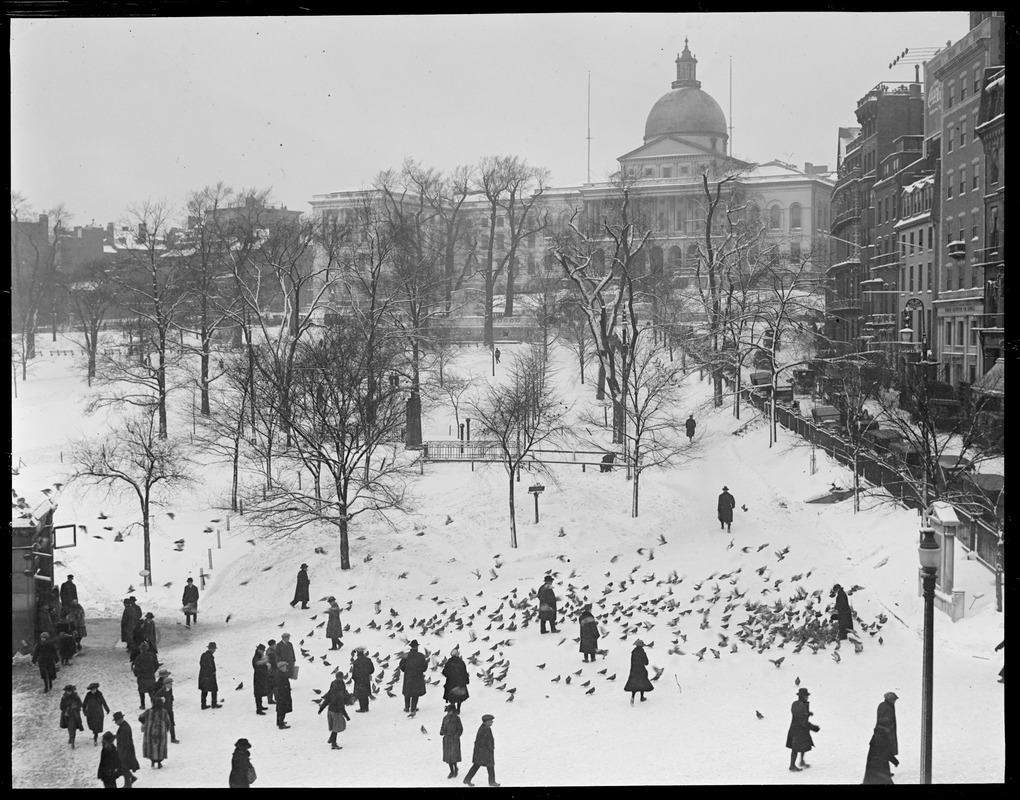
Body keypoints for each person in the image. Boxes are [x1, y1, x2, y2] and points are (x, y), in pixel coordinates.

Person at [863, 691, 899, 784]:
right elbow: (886, 723)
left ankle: (883, 774)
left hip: (878, 738)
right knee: (881, 758)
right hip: (882, 738)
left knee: (879, 759)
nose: (895, 702)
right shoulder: (887, 708)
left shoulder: (883, 706)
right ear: (891, 700)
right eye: (894, 700)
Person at [786, 687, 820, 771]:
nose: (807, 697)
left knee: (803, 746)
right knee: (796, 748)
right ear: (802, 696)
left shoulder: (796, 703)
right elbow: (802, 720)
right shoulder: (801, 706)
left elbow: (799, 714)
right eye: (806, 696)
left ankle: (801, 762)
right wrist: (813, 727)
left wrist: (808, 713)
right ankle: (792, 765)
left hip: (795, 728)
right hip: (799, 730)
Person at [462, 714, 499, 787]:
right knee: (489, 766)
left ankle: (467, 779)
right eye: (491, 721)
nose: (492, 722)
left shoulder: (486, 728)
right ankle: (492, 782)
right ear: (486, 722)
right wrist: (488, 749)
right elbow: (480, 742)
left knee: (478, 765)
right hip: (483, 752)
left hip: (483, 752)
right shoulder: (484, 729)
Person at [317, 676, 352, 749]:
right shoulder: (340, 694)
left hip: (330, 711)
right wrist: (346, 716)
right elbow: (341, 706)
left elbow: (326, 701)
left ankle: (331, 739)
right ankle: (334, 744)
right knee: (337, 727)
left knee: (334, 727)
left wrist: (321, 709)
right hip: (337, 712)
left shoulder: (331, 691)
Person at [139, 696, 171, 769]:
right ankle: (159, 762)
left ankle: (152, 762)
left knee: (151, 747)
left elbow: (140, 717)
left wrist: (145, 723)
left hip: (150, 732)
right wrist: (166, 730)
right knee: (160, 747)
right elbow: (168, 722)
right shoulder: (164, 712)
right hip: (161, 732)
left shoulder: (149, 711)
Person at [399, 639, 428, 717]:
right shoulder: (421, 656)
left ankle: (406, 707)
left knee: (407, 692)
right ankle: (413, 708)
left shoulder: (406, 655)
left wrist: (407, 671)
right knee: (415, 693)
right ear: (417, 647)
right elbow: (424, 668)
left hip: (408, 676)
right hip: (417, 677)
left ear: (411, 647)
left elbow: (401, 667)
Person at [113, 711, 140, 787]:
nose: (115, 722)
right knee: (124, 766)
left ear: (120, 719)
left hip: (125, 750)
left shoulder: (124, 728)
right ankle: (131, 778)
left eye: (116, 720)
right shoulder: (124, 726)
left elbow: (124, 741)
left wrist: (121, 752)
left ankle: (127, 784)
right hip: (126, 750)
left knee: (125, 767)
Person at [624, 639, 653, 705]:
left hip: (634, 670)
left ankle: (632, 697)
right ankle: (642, 697)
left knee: (634, 684)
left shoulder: (633, 652)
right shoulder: (642, 652)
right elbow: (646, 662)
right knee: (642, 683)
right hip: (641, 670)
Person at [442, 646, 470, 713]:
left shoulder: (449, 662)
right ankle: (458, 709)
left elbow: (445, 672)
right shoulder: (461, 662)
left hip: (451, 682)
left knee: (452, 696)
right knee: (459, 696)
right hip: (460, 682)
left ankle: (453, 707)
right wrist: (466, 680)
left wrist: (449, 676)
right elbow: (464, 672)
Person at [133, 642, 160, 709]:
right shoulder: (152, 655)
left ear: (140, 649)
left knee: (141, 691)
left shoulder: (138, 657)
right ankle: (153, 704)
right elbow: (156, 665)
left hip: (142, 677)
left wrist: (137, 674)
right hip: (150, 676)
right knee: (151, 691)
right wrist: (153, 671)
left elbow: (136, 668)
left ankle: (142, 704)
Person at [83, 682, 111, 746]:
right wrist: (85, 711)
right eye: (91, 689)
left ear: (96, 689)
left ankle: (95, 738)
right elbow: (84, 704)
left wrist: (107, 709)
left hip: (98, 713)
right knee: (92, 725)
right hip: (90, 713)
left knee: (97, 726)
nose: (92, 691)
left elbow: (103, 702)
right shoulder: (88, 695)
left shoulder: (99, 694)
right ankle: (95, 733)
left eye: (93, 689)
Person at [440, 703, 463, 779]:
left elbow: (460, 729)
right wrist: (442, 731)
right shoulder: (445, 718)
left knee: (454, 756)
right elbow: (442, 727)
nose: (449, 712)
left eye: (450, 711)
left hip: (454, 739)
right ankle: (451, 771)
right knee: (448, 757)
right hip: (447, 739)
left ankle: (455, 768)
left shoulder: (457, 718)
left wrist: (456, 736)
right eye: (448, 711)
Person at [154, 676, 179, 744]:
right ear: (166, 684)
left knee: (171, 723)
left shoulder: (170, 689)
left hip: (169, 709)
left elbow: (171, 697)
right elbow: (154, 699)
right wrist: (160, 699)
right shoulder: (160, 691)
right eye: (170, 683)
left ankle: (173, 738)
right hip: (163, 711)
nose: (171, 685)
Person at [60, 684, 85, 748]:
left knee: (73, 727)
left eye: (70, 691)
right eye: (67, 691)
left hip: (74, 715)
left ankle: (72, 741)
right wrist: (66, 709)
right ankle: (70, 737)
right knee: (69, 727)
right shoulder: (64, 697)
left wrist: (76, 707)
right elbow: (61, 706)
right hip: (67, 715)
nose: (69, 692)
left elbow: (80, 704)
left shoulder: (76, 696)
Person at [351, 646, 375, 713]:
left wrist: (355, 678)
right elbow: (372, 670)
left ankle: (362, 708)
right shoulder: (368, 660)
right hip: (366, 679)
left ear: (358, 654)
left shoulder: (356, 662)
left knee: (360, 695)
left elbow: (354, 672)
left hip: (359, 680)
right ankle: (366, 708)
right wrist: (367, 673)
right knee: (366, 694)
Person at [199, 642, 221, 709]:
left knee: (204, 690)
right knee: (214, 689)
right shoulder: (210, 656)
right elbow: (211, 666)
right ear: (211, 649)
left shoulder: (203, 655)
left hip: (203, 675)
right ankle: (214, 704)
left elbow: (201, 664)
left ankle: (203, 705)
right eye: (214, 649)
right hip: (209, 676)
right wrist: (213, 672)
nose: (214, 650)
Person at [274, 661, 294, 729]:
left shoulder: (279, 673)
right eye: (285, 666)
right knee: (283, 709)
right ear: (281, 668)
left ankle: (278, 721)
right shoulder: (281, 675)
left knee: (279, 708)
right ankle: (281, 723)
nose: (286, 668)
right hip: (283, 694)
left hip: (280, 694)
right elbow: (283, 684)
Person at [252, 644, 270, 715]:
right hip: (258, 677)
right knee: (258, 693)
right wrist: (266, 668)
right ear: (259, 650)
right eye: (262, 651)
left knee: (260, 692)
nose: (263, 652)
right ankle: (258, 709)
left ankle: (260, 706)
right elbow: (258, 667)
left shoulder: (259, 656)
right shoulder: (256, 658)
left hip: (260, 677)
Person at [265, 640, 278, 706]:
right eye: (275, 644)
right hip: (272, 671)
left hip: (271, 670)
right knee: (272, 685)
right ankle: (270, 700)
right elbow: (273, 663)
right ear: (272, 645)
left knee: (274, 685)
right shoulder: (271, 653)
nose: (276, 645)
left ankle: (276, 697)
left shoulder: (269, 650)